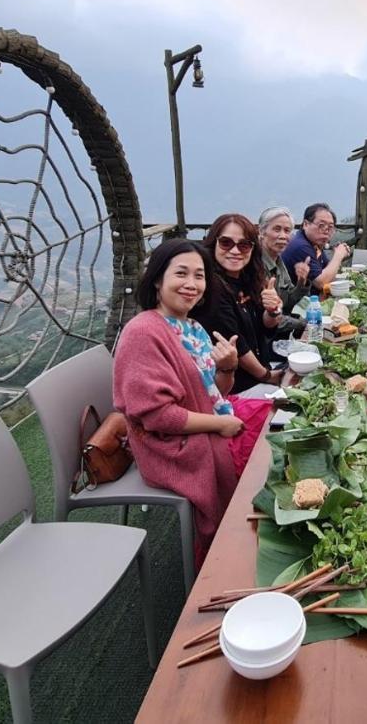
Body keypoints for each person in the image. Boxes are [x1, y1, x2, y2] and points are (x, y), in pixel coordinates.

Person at [113, 240, 265, 567]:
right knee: (261, 458)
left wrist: (227, 367)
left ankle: (256, 535)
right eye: (181, 273)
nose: (191, 284)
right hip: (171, 445)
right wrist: (220, 424)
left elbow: (216, 394)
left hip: (205, 420)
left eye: (199, 276)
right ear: (157, 279)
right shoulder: (143, 332)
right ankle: (229, 557)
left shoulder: (192, 328)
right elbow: (158, 417)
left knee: (274, 423)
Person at [193, 213, 285, 394]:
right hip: (236, 387)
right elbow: (236, 344)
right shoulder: (212, 288)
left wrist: (272, 311)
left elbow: (266, 326)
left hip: (259, 369)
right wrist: (267, 376)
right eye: (226, 243)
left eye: (243, 245)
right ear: (213, 244)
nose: (235, 251)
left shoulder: (247, 278)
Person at [280, 202, 351, 288]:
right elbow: (321, 283)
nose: (326, 231)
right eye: (321, 225)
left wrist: (338, 256)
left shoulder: (315, 243)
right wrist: (338, 255)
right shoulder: (301, 246)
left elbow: (327, 271)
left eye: (330, 227)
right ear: (306, 224)